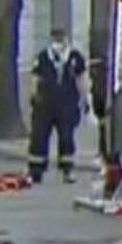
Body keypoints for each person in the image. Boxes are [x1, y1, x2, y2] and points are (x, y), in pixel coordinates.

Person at [28, 28, 86, 183]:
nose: (59, 42)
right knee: (39, 137)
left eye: (61, 38)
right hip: (45, 103)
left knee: (67, 137)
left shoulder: (75, 57)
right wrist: (33, 96)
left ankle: (67, 170)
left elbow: (81, 79)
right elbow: (35, 77)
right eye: (56, 38)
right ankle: (36, 171)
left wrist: (84, 99)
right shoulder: (43, 57)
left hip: (67, 103)